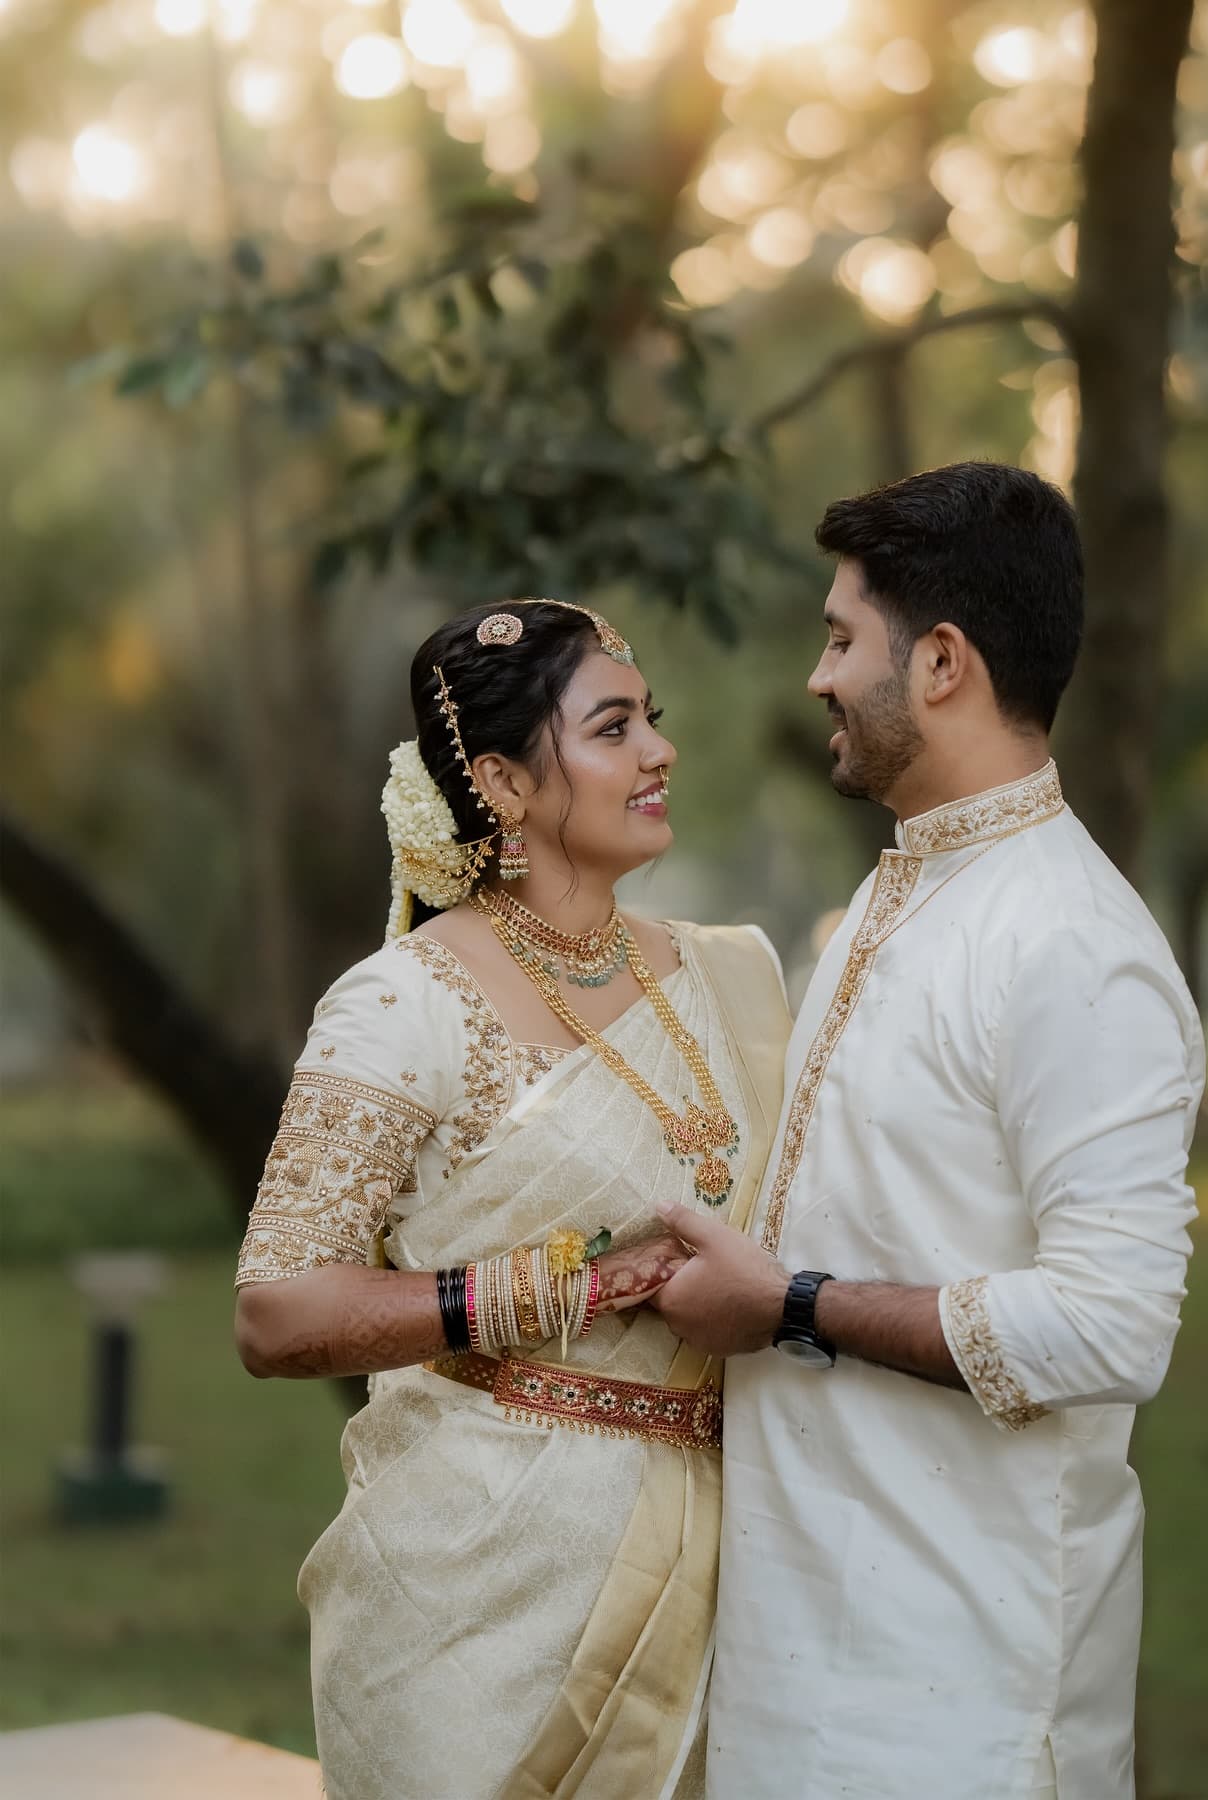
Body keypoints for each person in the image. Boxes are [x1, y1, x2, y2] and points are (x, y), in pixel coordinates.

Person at [649, 462, 1205, 1800]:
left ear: (943, 663)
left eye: (842, 639)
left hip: (966, 1698)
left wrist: (790, 1304)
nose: (818, 677)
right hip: (803, 1653)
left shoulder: (1074, 946)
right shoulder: (892, 900)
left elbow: (1115, 1326)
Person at [232, 598, 790, 1800]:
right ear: (502, 782)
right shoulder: (403, 1006)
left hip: (726, 1572)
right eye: (614, 728)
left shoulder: (731, 975)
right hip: (475, 1601)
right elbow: (277, 1313)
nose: (660, 752)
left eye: (652, 720)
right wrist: (561, 1288)